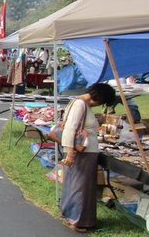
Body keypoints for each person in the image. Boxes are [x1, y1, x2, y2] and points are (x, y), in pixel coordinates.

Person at [60, 83, 115, 233]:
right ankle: (78, 219)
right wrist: (70, 152)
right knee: (81, 187)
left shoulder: (80, 103)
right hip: (83, 153)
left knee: (75, 184)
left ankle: (71, 214)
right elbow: (70, 128)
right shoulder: (80, 104)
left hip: (83, 152)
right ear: (99, 98)